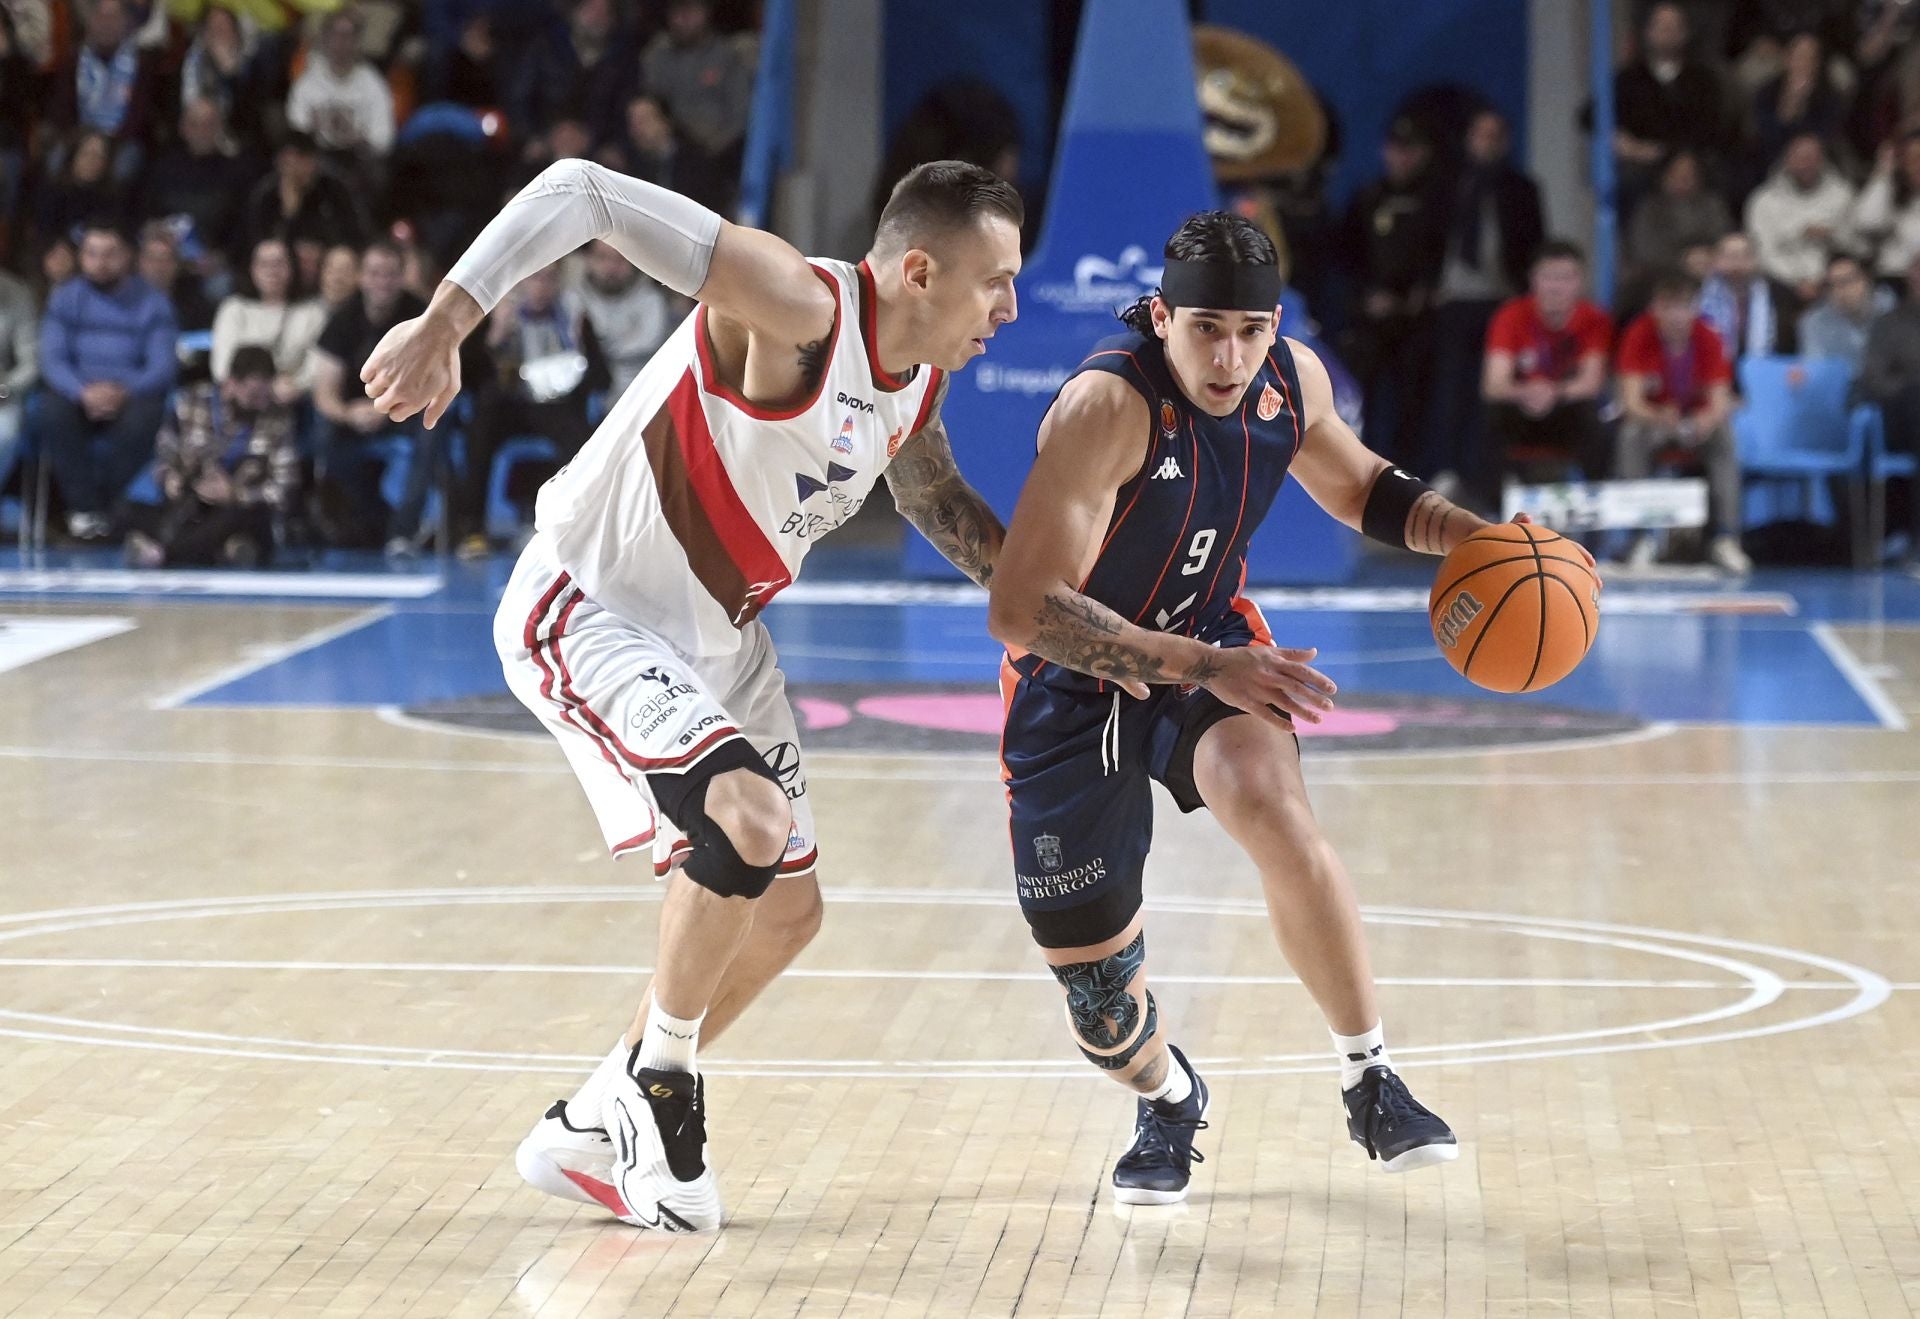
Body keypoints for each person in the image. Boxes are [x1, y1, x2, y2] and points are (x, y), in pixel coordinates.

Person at [359, 157, 1021, 1232]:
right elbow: (582, 191)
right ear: (917, 270)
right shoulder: (799, 307)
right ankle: (660, 1093)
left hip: (722, 637)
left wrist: (1131, 636)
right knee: (746, 819)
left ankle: (597, 1116)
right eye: (997, 280)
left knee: (790, 912)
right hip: (593, 600)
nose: (1011, 305)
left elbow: (944, 505)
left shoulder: (917, 386)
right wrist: (445, 320)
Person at [984, 211, 1581, 1206]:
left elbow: (1357, 487)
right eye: (1207, 328)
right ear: (1162, 316)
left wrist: (1486, 541)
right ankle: (1168, 1095)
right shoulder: (1107, 406)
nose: (1230, 355)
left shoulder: (1286, 379)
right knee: (1102, 1012)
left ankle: (1371, 1075)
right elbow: (1022, 607)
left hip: (1210, 642)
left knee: (1270, 800)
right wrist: (1203, 662)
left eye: (1251, 331)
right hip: (1071, 681)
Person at [1424, 108, 1543, 497]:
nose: (1486, 143)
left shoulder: (1521, 188)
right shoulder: (1448, 184)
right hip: (1455, 300)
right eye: (1480, 134)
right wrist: (1427, 287)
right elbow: (1427, 237)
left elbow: (1534, 244)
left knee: (1495, 391)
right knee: (1450, 389)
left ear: (1505, 141)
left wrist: (1524, 291)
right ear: (1468, 139)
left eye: (1494, 135)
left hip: (1502, 301)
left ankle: (1491, 476)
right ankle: (1446, 469)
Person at [453, 261, 609, 556]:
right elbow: (468, 377)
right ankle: (472, 529)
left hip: (557, 406)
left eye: (548, 279)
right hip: (511, 406)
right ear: (521, 282)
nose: (540, 286)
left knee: (583, 439)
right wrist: (494, 338)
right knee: (480, 424)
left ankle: (583, 527)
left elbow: (602, 376)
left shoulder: (574, 316)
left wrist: (579, 351)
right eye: (534, 278)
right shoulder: (501, 315)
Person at [38, 219, 176, 541]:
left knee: (148, 417)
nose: (100, 262)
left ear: (127, 256)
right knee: (49, 410)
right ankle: (84, 510)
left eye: (110, 253)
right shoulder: (65, 298)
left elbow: (162, 365)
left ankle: (109, 507)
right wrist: (82, 391)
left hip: (132, 394)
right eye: (92, 254)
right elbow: (52, 359)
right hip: (77, 392)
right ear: (81, 257)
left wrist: (124, 391)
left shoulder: (153, 301)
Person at [1614, 269, 1750, 573]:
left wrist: (1705, 419)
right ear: (1656, 308)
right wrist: (1660, 417)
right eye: (1669, 307)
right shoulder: (1639, 333)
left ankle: (1726, 538)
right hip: (1656, 421)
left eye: (1684, 306)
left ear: (1694, 308)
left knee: (1724, 437)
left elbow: (1720, 399)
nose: (1677, 316)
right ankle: (1640, 537)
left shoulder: (1709, 336)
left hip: (1696, 423)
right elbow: (1632, 403)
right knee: (1631, 435)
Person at [124, 345, 297, 567]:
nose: (262, 403)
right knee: (130, 510)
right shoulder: (191, 402)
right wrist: (169, 477)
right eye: (253, 395)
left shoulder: (279, 420)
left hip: (243, 508)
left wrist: (235, 494)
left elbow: (285, 489)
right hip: (192, 501)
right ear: (231, 384)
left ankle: (163, 553)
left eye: (266, 395)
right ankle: (224, 551)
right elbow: (165, 451)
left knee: (237, 518)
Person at [311, 239, 431, 554]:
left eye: (390, 274)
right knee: (323, 432)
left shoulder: (420, 317)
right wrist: (348, 413)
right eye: (375, 274)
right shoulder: (342, 320)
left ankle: (405, 529)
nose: (382, 282)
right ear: (361, 277)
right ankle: (370, 521)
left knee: (436, 424)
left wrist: (387, 408)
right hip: (356, 413)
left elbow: (432, 377)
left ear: (402, 277)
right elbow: (325, 391)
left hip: (407, 410)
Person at [1480, 240, 1614, 505]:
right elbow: (1493, 385)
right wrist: (1527, 392)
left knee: (1597, 424)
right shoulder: (1510, 315)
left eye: (1565, 278)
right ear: (1533, 279)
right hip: (1522, 409)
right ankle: (1492, 514)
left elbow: (1590, 382)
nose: (1556, 286)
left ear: (1580, 282)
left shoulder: (1594, 319)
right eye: (1548, 277)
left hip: (1566, 409)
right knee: (1489, 422)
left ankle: (1594, 510)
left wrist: (1553, 392)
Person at [210, 237, 328, 401]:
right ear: (252, 269)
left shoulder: (312, 311)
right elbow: (222, 364)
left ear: (292, 267)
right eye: (264, 264)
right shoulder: (234, 308)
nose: (272, 270)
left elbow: (317, 364)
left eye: (279, 263)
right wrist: (259, 386)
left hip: (294, 398)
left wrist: (297, 385)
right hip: (241, 397)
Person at [1745, 132, 1855, 303]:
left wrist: (1832, 236)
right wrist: (1796, 281)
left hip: (1831, 281)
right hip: (1780, 282)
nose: (1806, 164)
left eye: (1812, 158)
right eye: (1800, 158)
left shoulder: (1842, 194)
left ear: (1822, 161)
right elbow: (1762, 253)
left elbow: (1856, 244)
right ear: (1787, 160)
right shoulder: (1763, 200)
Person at [1699, 231, 1800, 366]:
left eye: (1744, 256)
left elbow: (1789, 343)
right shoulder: (1700, 294)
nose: (1737, 263)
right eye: (1730, 256)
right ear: (1716, 260)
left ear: (1756, 259)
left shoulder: (1779, 293)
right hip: (1715, 370)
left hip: (1767, 370)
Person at [1799, 250, 1887, 372]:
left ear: (1866, 280)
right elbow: (1816, 371)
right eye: (1833, 285)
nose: (1841, 291)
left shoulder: (1890, 309)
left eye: (1848, 281)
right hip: (1840, 388)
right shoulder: (1814, 322)